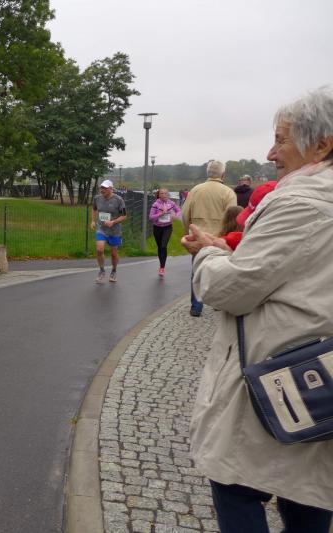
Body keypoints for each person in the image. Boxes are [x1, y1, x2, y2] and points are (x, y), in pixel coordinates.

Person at [181, 87, 333, 532]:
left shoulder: (302, 201)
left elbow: (232, 289)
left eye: (281, 140)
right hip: (321, 378)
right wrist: (229, 250)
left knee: (235, 485)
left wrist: (208, 255)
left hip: (278, 377)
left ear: (321, 145)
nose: (270, 153)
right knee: (308, 490)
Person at [181, 160, 236, 316]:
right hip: (219, 239)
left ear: (208, 173)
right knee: (220, 271)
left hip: (198, 236)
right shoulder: (228, 192)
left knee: (196, 270)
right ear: (223, 174)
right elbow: (232, 218)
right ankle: (218, 302)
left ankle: (196, 306)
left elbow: (185, 213)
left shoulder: (196, 190)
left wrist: (189, 231)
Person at [90, 179, 127, 283]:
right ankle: (102, 271)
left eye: (105, 188)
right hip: (101, 229)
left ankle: (114, 271)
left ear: (111, 189)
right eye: (101, 188)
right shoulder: (97, 198)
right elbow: (94, 209)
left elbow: (124, 216)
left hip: (114, 231)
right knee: (99, 249)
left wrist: (113, 222)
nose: (102, 190)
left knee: (114, 254)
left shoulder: (119, 200)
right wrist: (93, 221)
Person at [148, 188, 181, 277]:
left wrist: (175, 216)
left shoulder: (171, 203)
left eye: (165, 193)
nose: (164, 195)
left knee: (163, 246)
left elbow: (178, 210)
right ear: (159, 195)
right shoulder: (155, 204)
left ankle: (162, 267)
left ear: (168, 194)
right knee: (160, 247)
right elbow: (151, 217)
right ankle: (161, 264)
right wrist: (161, 214)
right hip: (157, 228)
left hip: (167, 227)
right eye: (162, 193)